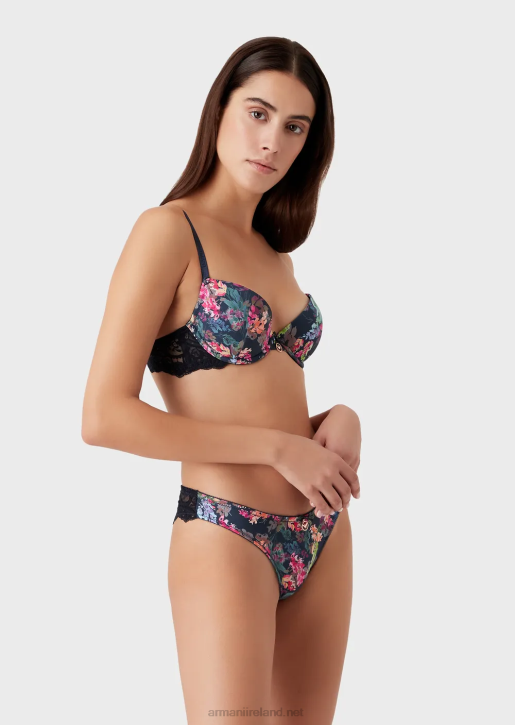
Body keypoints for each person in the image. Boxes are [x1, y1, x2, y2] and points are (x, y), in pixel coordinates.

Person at [82, 36, 361, 725]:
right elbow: (104, 415)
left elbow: (264, 395)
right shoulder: (167, 231)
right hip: (225, 532)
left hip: (322, 531)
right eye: (258, 113)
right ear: (219, 111)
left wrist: (338, 417)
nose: (272, 141)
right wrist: (277, 448)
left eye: (295, 127)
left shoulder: (276, 255)